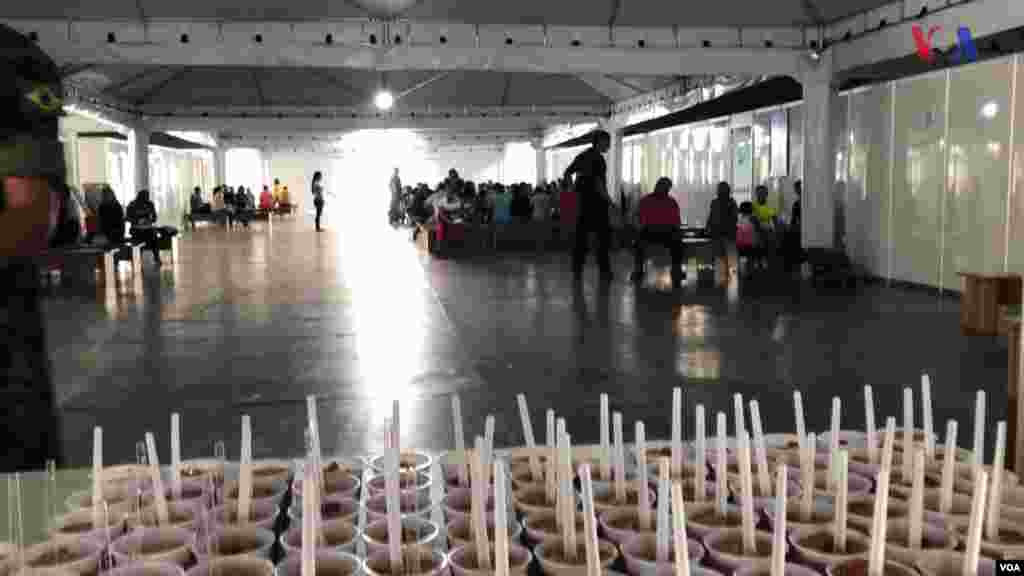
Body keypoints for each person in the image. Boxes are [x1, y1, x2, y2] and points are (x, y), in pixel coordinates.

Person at [564, 130, 613, 283]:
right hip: (597, 204)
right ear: (600, 141)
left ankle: (577, 270)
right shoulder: (598, 159)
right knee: (603, 238)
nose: (609, 146)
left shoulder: (582, 155)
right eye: (607, 142)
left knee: (581, 238)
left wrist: (573, 190)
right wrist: (610, 201)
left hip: (583, 204)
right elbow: (598, 184)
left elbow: (567, 173)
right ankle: (604, 270)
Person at [632, 177, 683, 286]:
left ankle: (639, 270)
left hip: (654, 231)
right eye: (665, 187)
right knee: (677, 241)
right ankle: (676, 269)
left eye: (666, 188)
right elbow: (676, 222)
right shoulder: (669, 202)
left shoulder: (647, 200)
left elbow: (639, 219)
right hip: (658, 231)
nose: (665, 190)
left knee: (677, 241)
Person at [706, 181, 739, 285]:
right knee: (719, 255)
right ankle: (721, 277)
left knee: (728, 256)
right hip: (717, 233)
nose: (721, 191)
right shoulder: (715, 202)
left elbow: (734, 218)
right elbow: (711, 216)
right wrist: (708, 227)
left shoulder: (731, 203)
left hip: (728, 233)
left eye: (723, 189)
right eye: (720, 189)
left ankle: (728, 277)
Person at [126, 189, 161, 265]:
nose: (146, 199)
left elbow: (154, 217)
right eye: (144, 197)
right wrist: (137, 221)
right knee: (140, 240)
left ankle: (156, 257)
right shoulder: (132, 204)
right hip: (136, 228)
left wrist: (150, 220)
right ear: (139, 197)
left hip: (147, 228)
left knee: (154, 237)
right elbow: (127, 218)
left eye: (147, 197)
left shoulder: (150, 204)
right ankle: (137, 259)